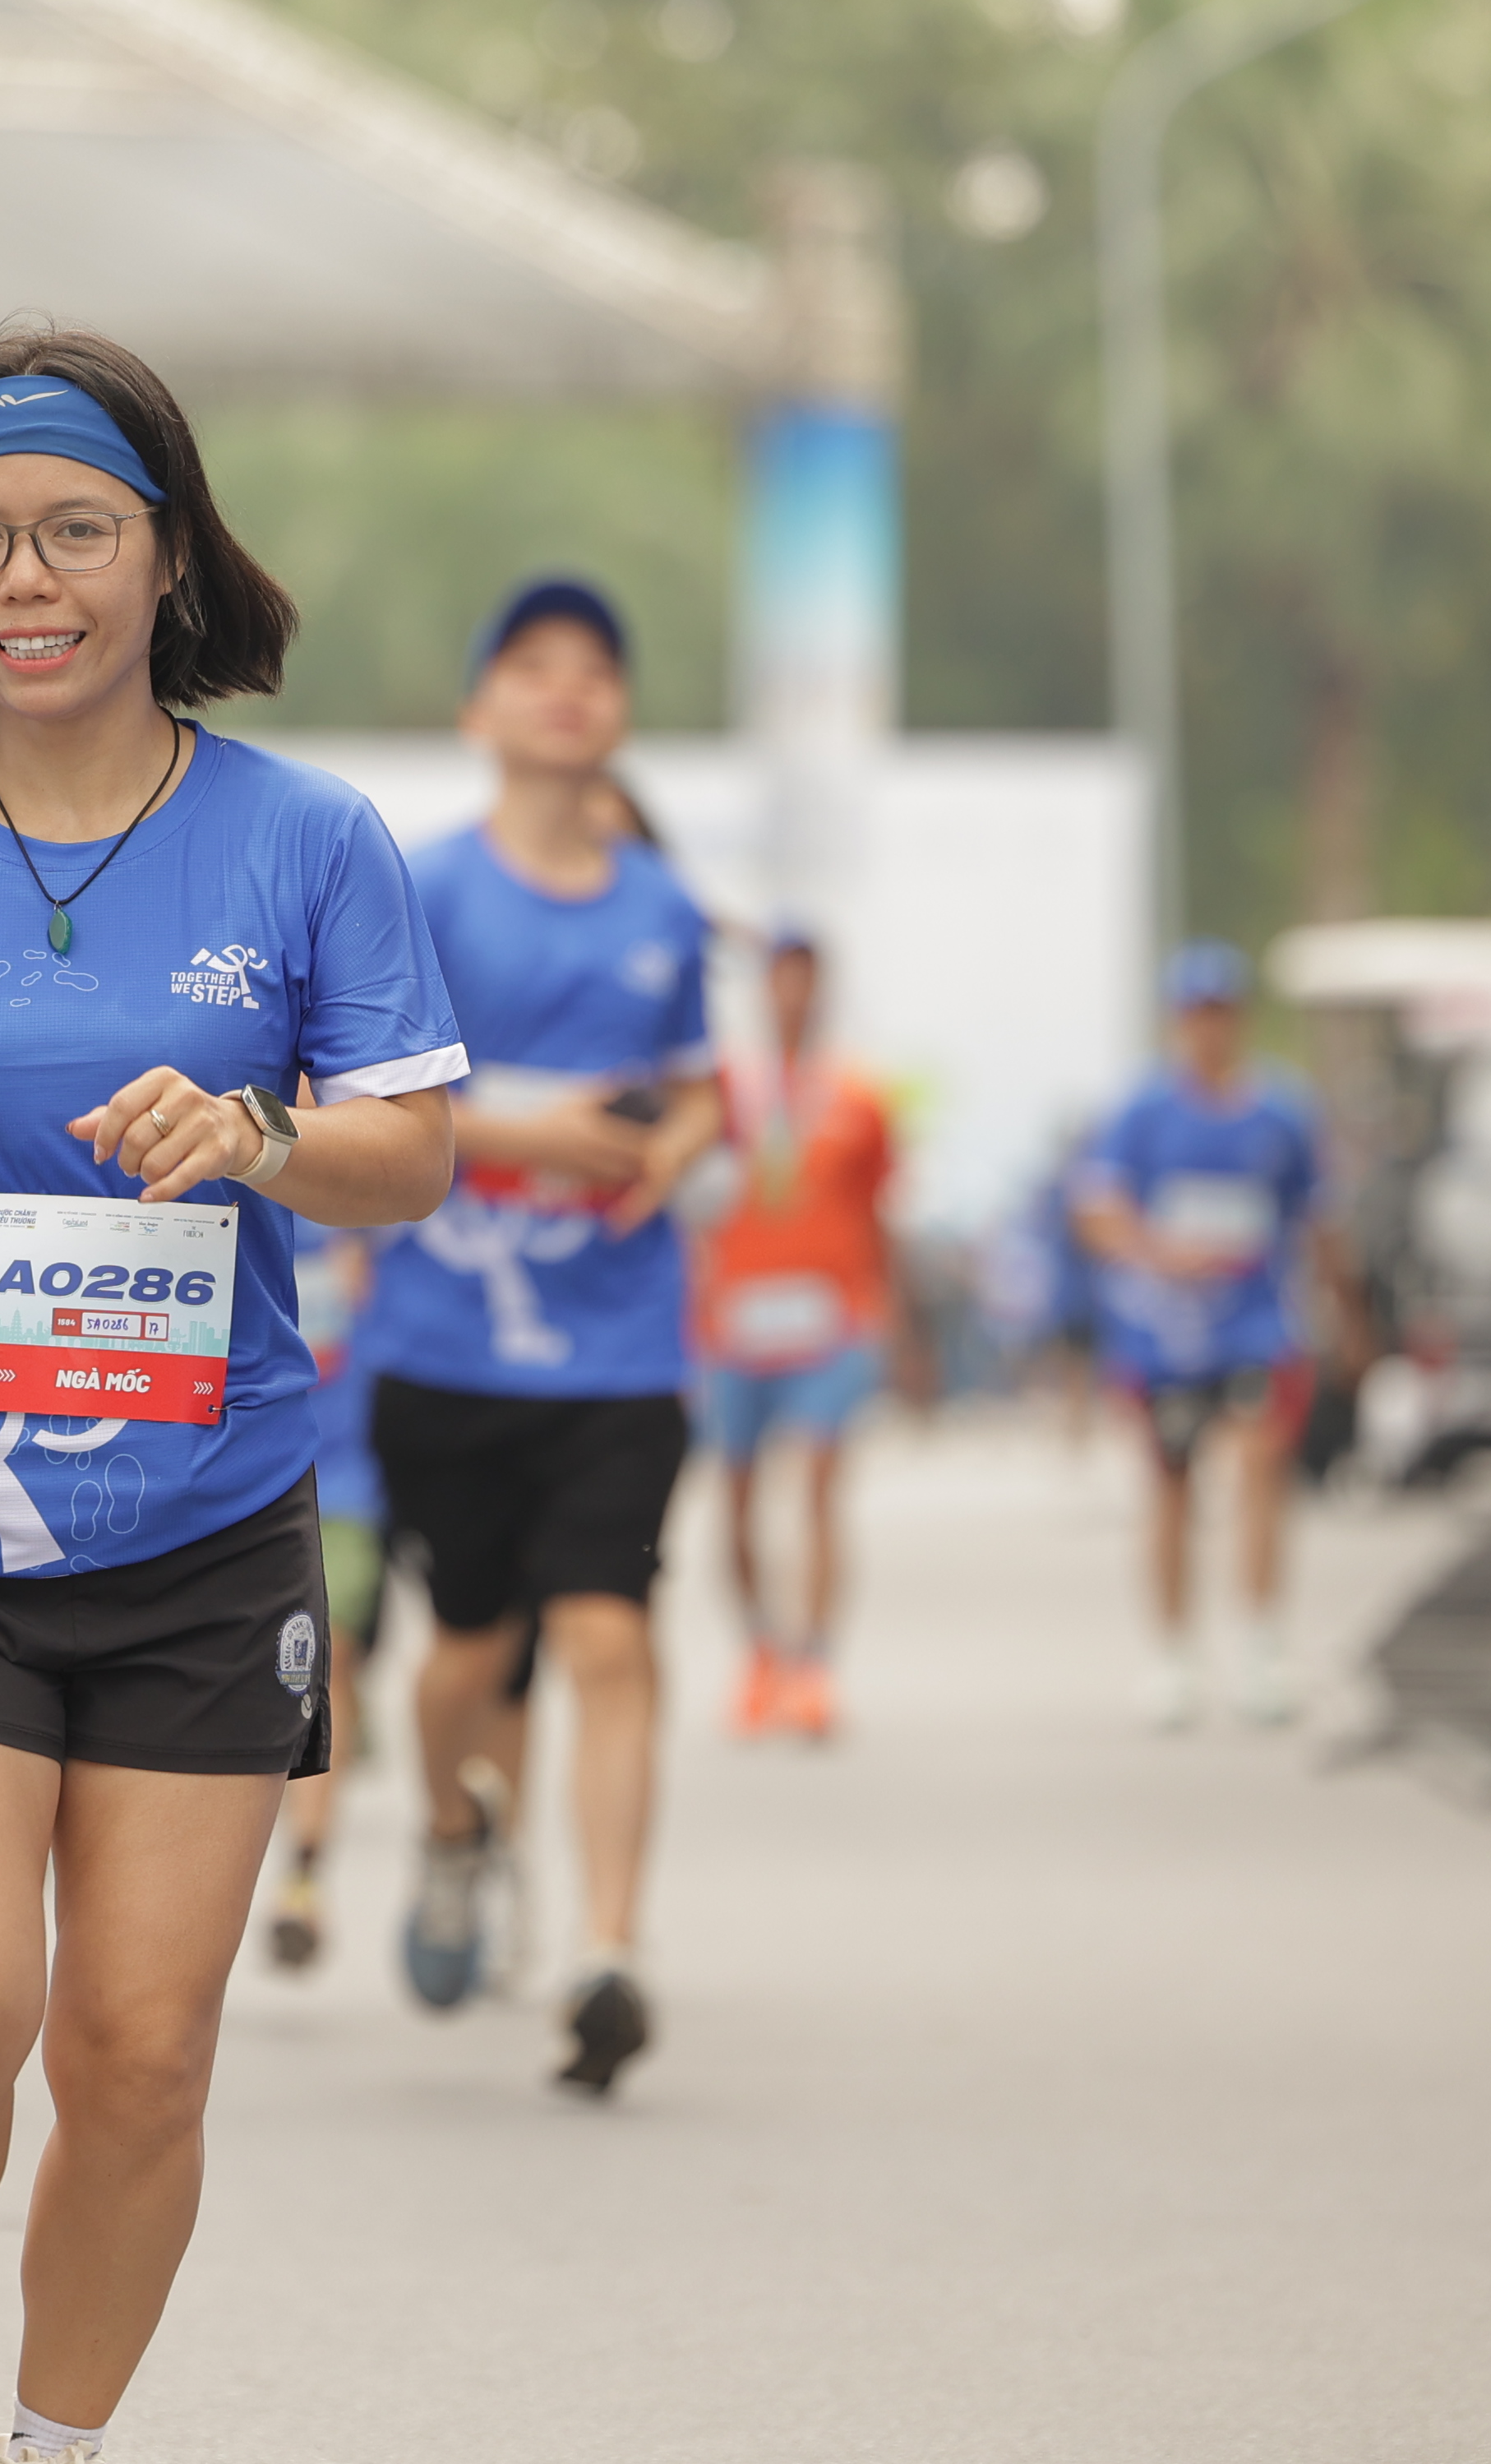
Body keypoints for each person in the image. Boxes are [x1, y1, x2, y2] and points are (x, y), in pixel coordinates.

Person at [0, 334, 460, 2464]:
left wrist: (257, 1134)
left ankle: (56, 2442)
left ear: (166, 558)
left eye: (71, 533)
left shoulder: (307, 839)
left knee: (139, 2053)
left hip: (206, 1527)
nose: (21, 579)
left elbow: (413, 1151)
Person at [349, 578, 718, 2101]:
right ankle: (453, 1832)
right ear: (480, 709)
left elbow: (697, 1086)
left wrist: (672, 1146)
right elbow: (361, 1096)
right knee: (465, 1659)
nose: (567, 689)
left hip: (622, 1347)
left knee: (609, 1633)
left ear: (621, 712)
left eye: (595, 670)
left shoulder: (665, 909)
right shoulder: (421, 890)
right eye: (532, 665)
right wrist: (540, 1134)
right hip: (447, 1347)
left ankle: (608, 1950)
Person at [1073, 940, 1332, 1728]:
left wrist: (1347, 1318)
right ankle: (1174, 1654)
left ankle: (1261, 1645)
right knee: (1171, 1488)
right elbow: (1097, 1210)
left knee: (1260, 1469)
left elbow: (1317, 1219)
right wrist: (1158, 1252)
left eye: (1220, 1013)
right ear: (1177, 1022)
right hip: (1169, 1338)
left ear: (1240, 1019)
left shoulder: (1282, 1111)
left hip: (1257, 1327)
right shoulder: (1141, 1113)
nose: (1208, 1028)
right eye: (1195, 1014)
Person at [694, 918, 913, 1743]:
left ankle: (814, 1664)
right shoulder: (724, 1090)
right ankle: (762, 1652)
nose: (793, 991)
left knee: (821, 1484)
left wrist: (899, 1320)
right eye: (780, 974)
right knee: (738, 1497)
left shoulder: (859, 1095)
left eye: (806, 975)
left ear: (823, 988)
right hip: (735, 1325)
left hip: (832, 1322)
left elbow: (882, 1211)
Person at [254, 1205, 383, 1972]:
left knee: (325, 1665)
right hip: (245, 1484)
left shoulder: (366, 1213)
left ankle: (302, 1878)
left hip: (346, 1489)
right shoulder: (216, 1197)